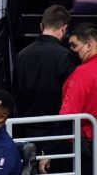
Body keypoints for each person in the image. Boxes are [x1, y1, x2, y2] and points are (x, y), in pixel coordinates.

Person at [12, 4, 76, 150]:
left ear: (41, 26)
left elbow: (16, 94)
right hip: (56, 131)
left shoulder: (21, 55)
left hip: (26, 130)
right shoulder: (67, 56)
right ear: (64, 29)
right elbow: (69, 98)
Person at [39, 23, 97, 175]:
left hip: (86, 149)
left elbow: (68, 115)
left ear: (89, 45)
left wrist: (49, 151)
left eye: (74, 45)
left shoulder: (82, 74)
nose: (71, 50)